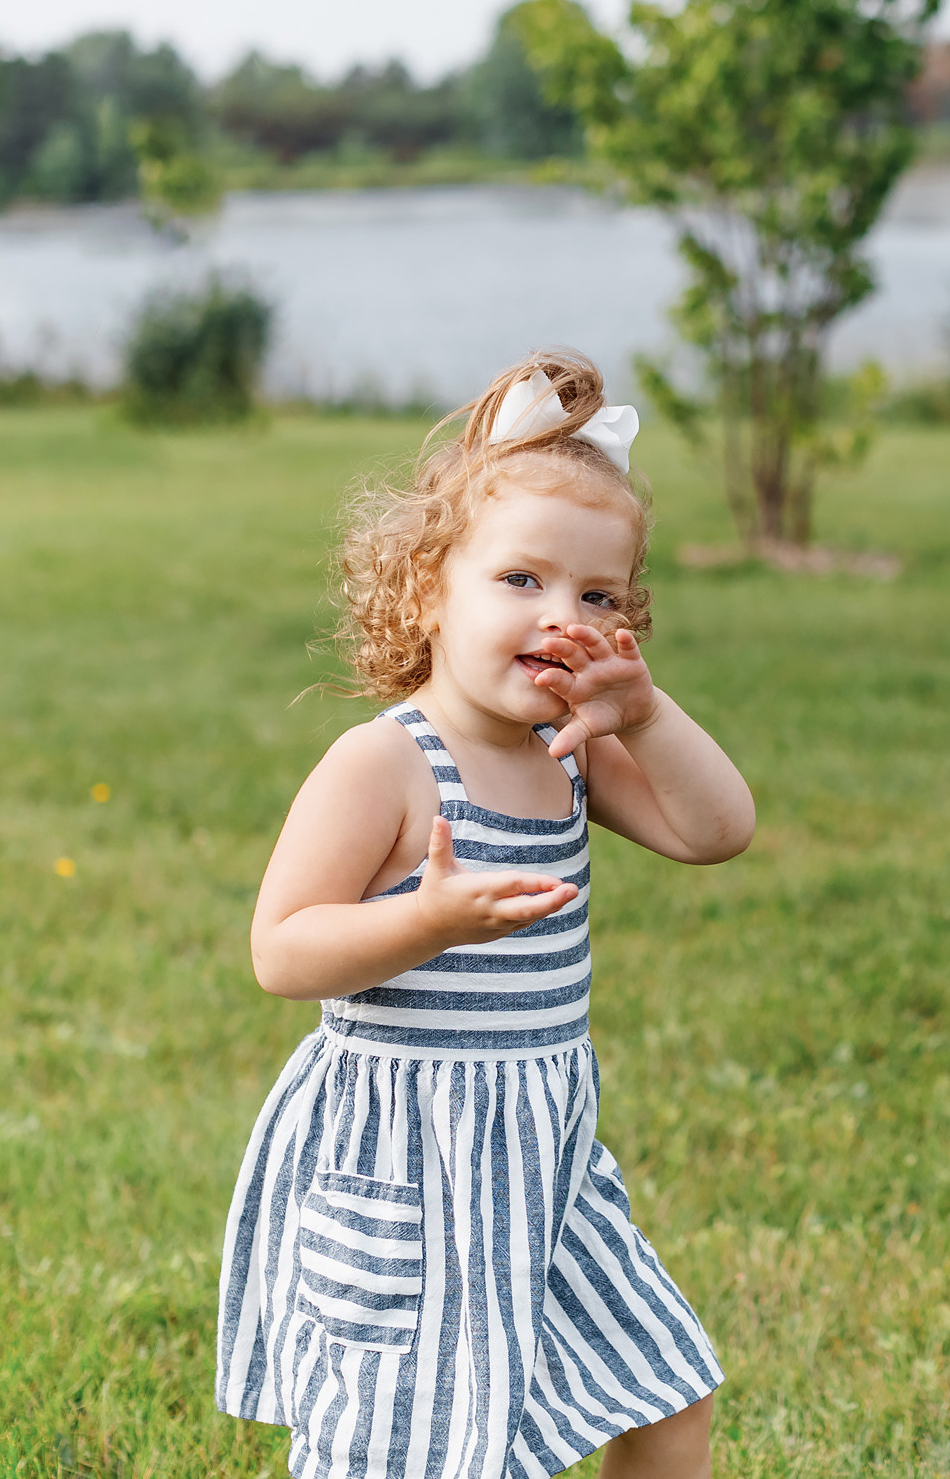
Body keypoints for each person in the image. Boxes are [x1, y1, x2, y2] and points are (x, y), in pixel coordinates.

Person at [215, 352, 754, 1479]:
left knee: (667, 1394)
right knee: (419, 1447)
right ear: (429, 591)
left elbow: (715, 830)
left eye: (596, 595)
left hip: (545, 1170)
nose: (562, 616)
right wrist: (428, 920)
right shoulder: (385, 764)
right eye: (521, 580)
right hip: (412, 1169)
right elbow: (281, 949)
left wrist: (645, 712)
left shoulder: (573, 752)